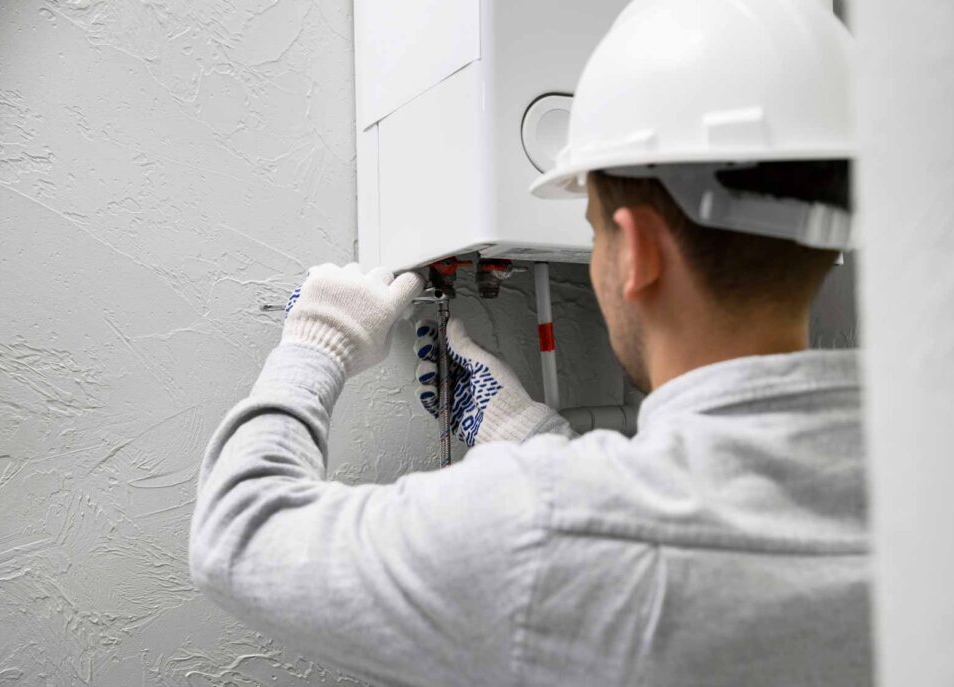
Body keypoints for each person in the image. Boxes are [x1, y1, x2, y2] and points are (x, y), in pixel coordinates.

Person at [189, 0, 872, 685]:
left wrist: (317, 342)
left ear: (634, 249)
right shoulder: (941, 477)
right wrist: (527, 434)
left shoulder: (536, 525)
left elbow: (241, 531)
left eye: (596, 227)